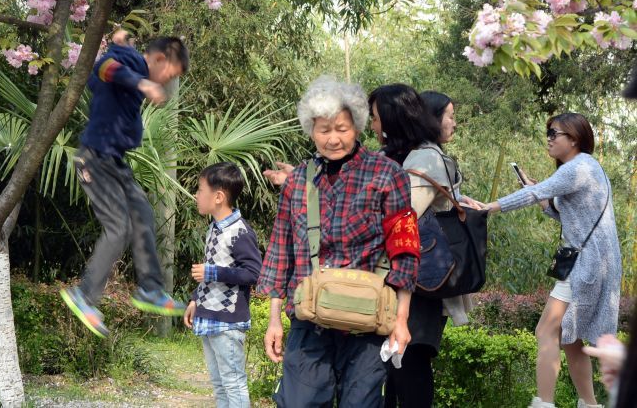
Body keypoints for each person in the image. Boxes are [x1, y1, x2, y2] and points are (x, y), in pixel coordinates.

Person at [257, 76, 419, 408]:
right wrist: (274, 320)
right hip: (309, 322)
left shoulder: (388, 175)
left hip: (368, 324)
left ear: (358, 126)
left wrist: (401, 320)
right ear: (311, 130)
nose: (333, 139)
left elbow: (405, 251)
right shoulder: (297, 182)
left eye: (342, 128)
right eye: (324, 130)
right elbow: (279, 250)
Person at [480, 113, 621, 408]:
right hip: (596, 261)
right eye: (548, 133)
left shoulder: (578, 166)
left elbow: (534, 194)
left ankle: (544, 403)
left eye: (554, 133)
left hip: (586, 264)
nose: (549, 139)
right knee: (570, 340)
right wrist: (540, 193)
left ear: (574, 139)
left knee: (546, 330)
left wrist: (489, 207)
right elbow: (564, 211)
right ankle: (590, 404)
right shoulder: (586, 167)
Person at [61, 32, 190, 337]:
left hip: (114, 161)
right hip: (93, 159)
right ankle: (84, 295)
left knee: (143, 214)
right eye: (168, 75)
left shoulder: (128, 62)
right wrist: (142, 80)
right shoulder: (132, 63)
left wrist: (120, 48)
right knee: (119, 227)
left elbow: (103, 82)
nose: (166, 84)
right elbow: (103, 69)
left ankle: (150, 290)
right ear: (159, 59)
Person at [369, 85, 476, 408]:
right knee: (389, 370)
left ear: (390, 119)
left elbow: (402, 214)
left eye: (374, 118)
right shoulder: (393, 157)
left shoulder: (426, 159)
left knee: (410, 365)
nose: (371, 125)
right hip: (393, 278)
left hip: (421, 278)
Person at [183, 162, 262, 408]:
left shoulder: (239, 231)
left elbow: (253, 272)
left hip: (227, 322)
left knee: (233, 383)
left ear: (218, 197)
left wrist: (213, 272)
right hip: (209, 316)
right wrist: (196, 299)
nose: (196, 195)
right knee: (219, 384)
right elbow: (212, 269)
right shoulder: (214, 229)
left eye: (200, 189)